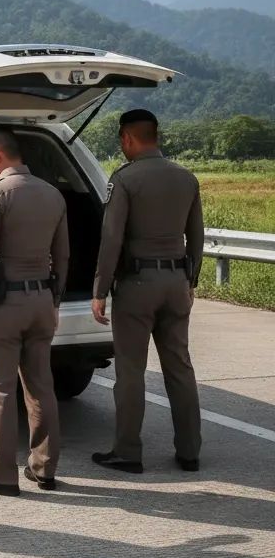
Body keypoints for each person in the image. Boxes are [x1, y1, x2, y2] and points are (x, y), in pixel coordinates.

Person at [0, 128, 69, 496]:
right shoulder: (53, 194)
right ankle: (44, 468)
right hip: (42, 302)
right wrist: (54, 300)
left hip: (5, 305)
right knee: (41, 386)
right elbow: (62, 256)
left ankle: (2, 475)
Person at [91, 108, 204, 474]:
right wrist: (191, 281)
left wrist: (100, 289)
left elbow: (112, 239)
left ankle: (127, 452)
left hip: (137, 285)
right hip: (176, 282)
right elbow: (196, 236)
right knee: (180, 367)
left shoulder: (125, 179)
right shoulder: (186, 178)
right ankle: (189, 451)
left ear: (127, 138)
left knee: (130, 371)